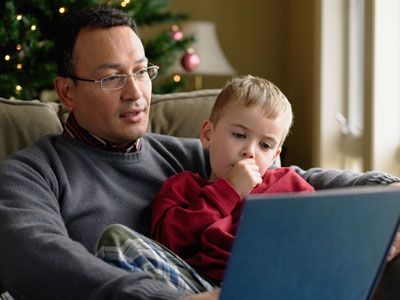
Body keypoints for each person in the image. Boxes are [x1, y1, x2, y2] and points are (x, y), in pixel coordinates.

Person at [0, 5, 399, 300]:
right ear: (67, 91)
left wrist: (386, 192)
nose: (136, 92)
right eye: (112, 78)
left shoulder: (181, 156)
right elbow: (36, 258)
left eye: (141, 71)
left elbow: (290, 177)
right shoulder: (32, 173)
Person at [151, 75, 315, 283]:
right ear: (208, 134)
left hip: (271, 280)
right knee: (121, 240)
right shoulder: (182, 187)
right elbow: (168, 245)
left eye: (265, 146)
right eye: (239, 135)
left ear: (275, 156)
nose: (250, 152)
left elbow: (313, 236)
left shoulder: (287, 184)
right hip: (200, 284)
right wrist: (228, 190)